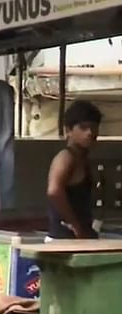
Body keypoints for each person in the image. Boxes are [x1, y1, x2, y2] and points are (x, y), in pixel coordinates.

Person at [47, 99, 102, 240]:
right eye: (83, 128)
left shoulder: (83, 158)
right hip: (64, 238)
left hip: (79, 236)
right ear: (68, 130)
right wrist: (74, 224)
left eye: (93, 128)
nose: (90, 133)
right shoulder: (65, 158)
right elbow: (54, 191)